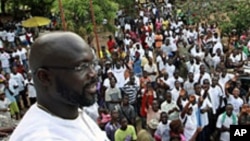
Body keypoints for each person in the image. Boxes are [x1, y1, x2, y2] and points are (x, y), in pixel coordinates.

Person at [9, 32, 110, 141]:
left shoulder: (69, 111)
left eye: (92, 64)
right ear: (45, 77)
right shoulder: (43, 137)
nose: (93, 73)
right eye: (81, 67)